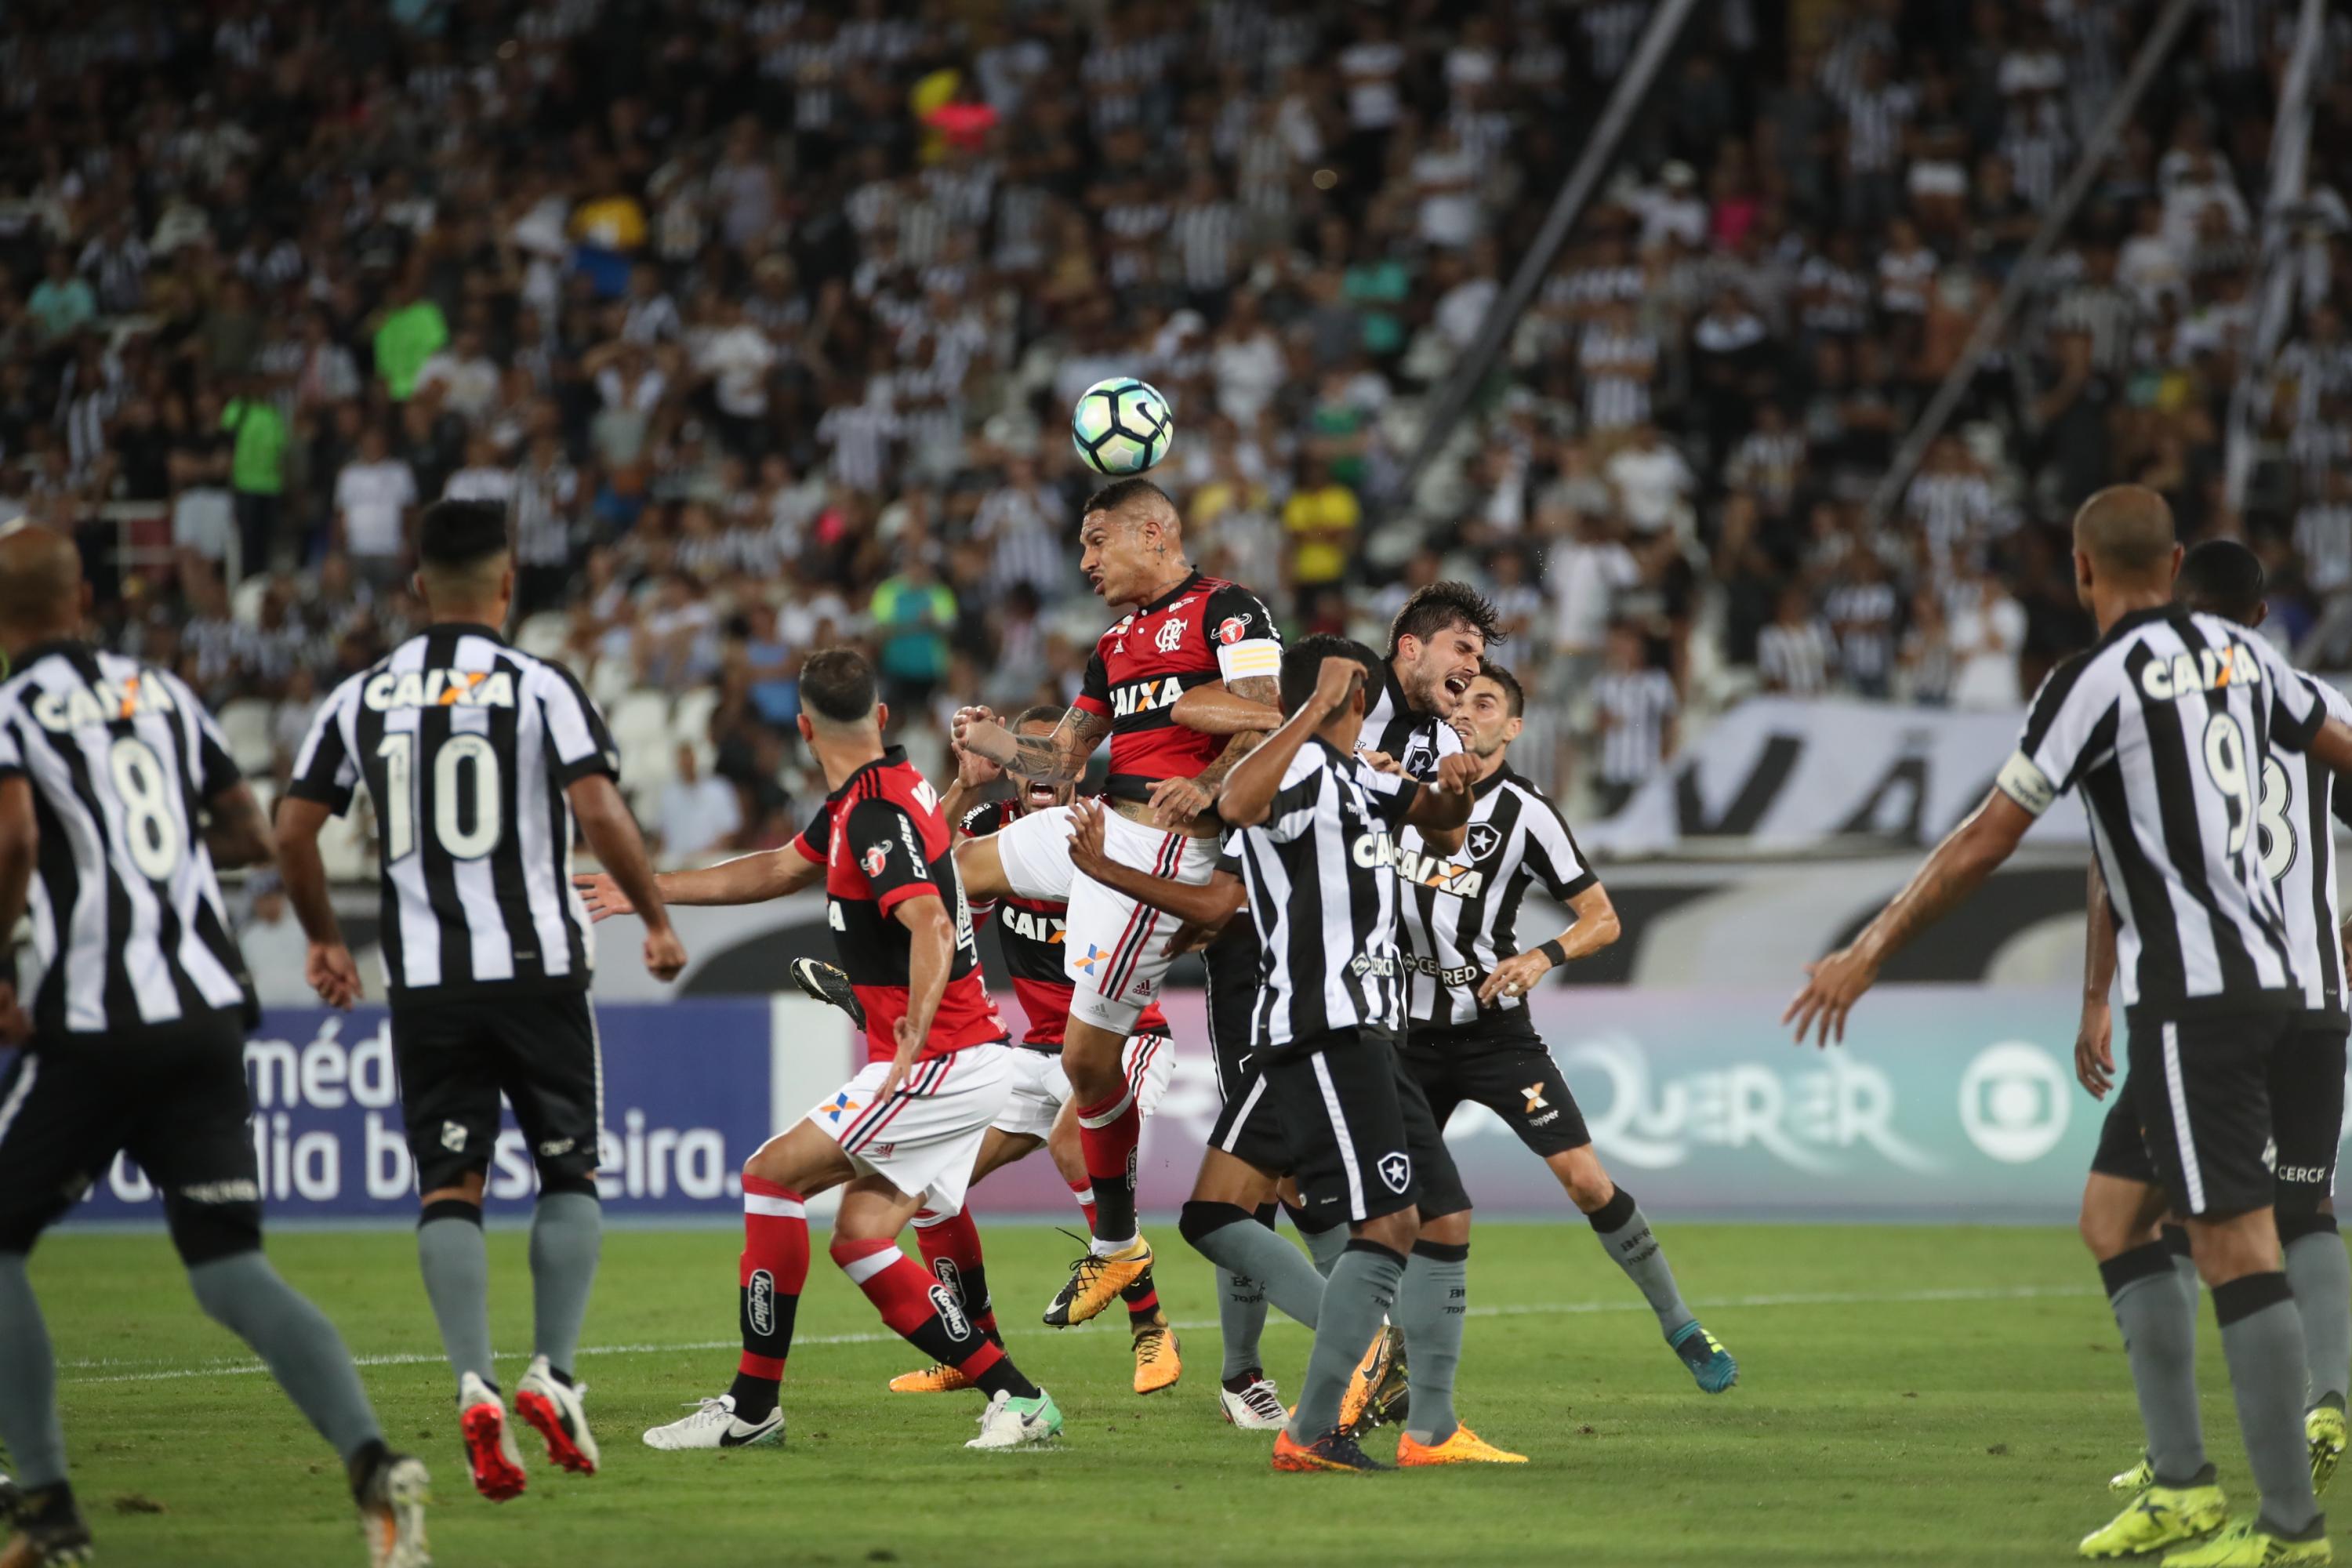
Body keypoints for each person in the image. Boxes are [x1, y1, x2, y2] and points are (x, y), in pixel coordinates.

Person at [1786, 486, 2352, 1567]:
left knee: (2235, 1243)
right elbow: (2340, 749)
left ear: (2083, 571)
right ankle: (2181, 1486)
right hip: (2288, 982)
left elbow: (1985, 840)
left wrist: (1870, 948)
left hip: (2199, 996)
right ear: (2173, 563)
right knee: (2113, 1216)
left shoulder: (2092, 681)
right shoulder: (2255, 659)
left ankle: (2290, 1529)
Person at [0, 524, 427, 1567]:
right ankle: (375, 1465)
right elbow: (246, 833)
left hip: (96, 1020)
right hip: (204, 1013)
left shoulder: (12, 711)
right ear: (85, 599)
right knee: (231, 1268)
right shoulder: (163, 694)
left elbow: (14, 839)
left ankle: (47, 1508)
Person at [277, 499, 688, 1503]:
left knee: (449, 1185)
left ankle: (474, 1379)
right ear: (507, 585)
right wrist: (653, 915)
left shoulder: (362, 694)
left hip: (428, 979)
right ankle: (554, 1370)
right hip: (539, 966)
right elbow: (597, 806)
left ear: (419, 586)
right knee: (569, 1170)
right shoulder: (540, 684)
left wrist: (325, 936)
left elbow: (291, 830)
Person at [585, 649, 1064, 1454]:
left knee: (769, 1176)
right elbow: (778, 868)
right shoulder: (882, 792)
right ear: (880, 717)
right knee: (860, 1238)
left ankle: (752, 1407)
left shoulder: (872, 813)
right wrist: (652, 887)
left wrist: (914, 1027)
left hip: (935, 1061)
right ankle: (1019, 1397)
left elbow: (930, 921)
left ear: (803, 730)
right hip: (965, 1057)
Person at [951, 478, 1282, 1327]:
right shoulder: (1112, 643)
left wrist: (1209, 784)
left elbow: (1267, 719)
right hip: (1097, 821)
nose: (1086, 562)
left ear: (1153, 533)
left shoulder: (1229, 608)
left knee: (1089, 1064)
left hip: (1162, 846)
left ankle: (1117, 1245)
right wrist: (992, 741)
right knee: (950, 871)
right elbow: (1060, 761)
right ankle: (914, 1008)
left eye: (1098, 541)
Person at [2075, 540, 2352, 1530]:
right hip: (2313, 994)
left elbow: (2114, 865)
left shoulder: (2163, 706)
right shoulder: (2320, 705)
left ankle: (2186, 1463)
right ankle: (2329, 1398)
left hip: (2205, 998)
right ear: (2263, 614)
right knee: (2302, 1203)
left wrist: (2095, 993)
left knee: (2164, 1216)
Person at [793, 706, 1184, 1399]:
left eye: (1049, 756)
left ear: (1072, 771)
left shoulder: (1106, 828)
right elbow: (922, 877)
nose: (1038, 773)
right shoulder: (990, 830)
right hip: (1037, 1052)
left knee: (1072, 1143)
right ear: (1013, 769)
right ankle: (972, 1348)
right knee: (930, 1181)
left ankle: (1151, 1327)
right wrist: (963, 786)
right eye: (1023, 757)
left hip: (1125, 1036)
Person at [1396, 662, 1735, 1392]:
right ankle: (1380, 1363)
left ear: (1513, 727)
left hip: (1494, 1035)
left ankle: (1680, 1322)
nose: (1467, 711)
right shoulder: (1399, 788)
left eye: (1487, 703)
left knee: (1585, 1181)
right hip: (1405, 1036)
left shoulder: (1528, 812)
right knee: (1391, 1207)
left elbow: (1603, 919)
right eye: (1458, 699)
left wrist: (1540, 957)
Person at [1214, 636, 1493, 1472]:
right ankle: (1310, 1429)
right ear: (1355, 690)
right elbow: (1236, 804)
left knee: (1441, 1211)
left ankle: (1430, 1431)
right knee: (1385, 1220)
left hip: (1376, 1025)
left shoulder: (1358, 775)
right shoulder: (1298, 764)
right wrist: (1308, 710)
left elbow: (1439, 826)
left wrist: (1455, 786)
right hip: (1322, 1022)